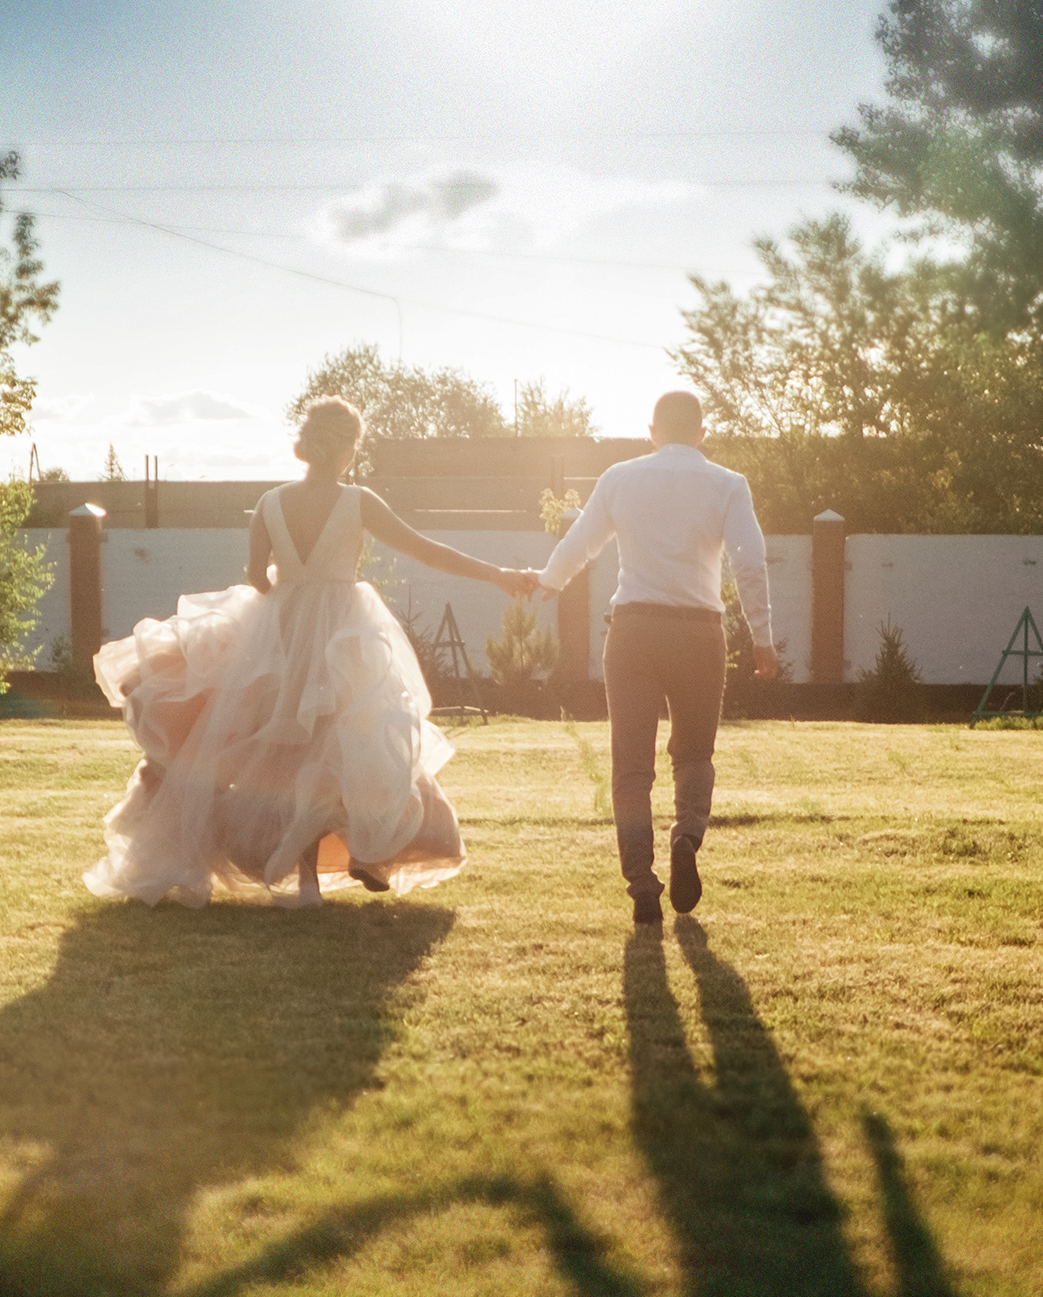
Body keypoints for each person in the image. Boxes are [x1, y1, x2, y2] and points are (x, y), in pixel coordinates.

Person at [84, 397, 538, 908]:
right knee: (346, 744)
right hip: (344, 632)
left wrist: (286, 586)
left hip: (278, 633)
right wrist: (497, 575)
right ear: (346, 447)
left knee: (284, 756)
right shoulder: (358, 500)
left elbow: (256, 577)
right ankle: (363, 850)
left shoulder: (270, 503)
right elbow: (423, 549)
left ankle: (304, 881)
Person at [535, 390, 778, 925]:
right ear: (702, 433)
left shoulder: (619, 477)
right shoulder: (728, 485)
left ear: (651, 431)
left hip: (633, 632)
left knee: (631, 768)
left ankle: (642, 886)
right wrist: (762, 638)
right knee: (694, 754)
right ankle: (687, 836)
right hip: (697, 633)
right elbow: (749, 561)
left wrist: (550, 580)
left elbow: (581, 541)